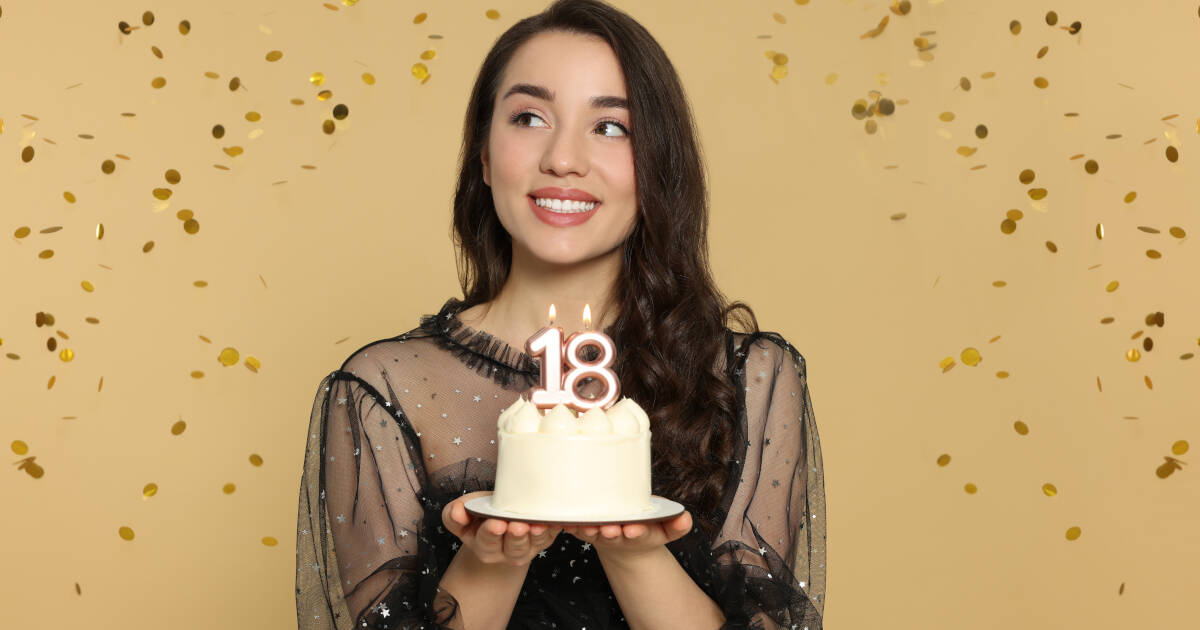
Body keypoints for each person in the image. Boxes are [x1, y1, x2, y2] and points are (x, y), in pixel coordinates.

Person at [295, 1, 826, 628]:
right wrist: (492, 559)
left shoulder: (751, 380)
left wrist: (633, 550)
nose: (564, 158)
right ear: (484, 158)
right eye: (529, 117)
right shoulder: (384, 390)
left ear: (659, 163)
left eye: (610, 127)